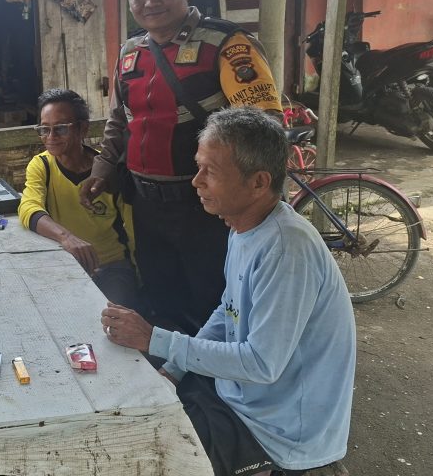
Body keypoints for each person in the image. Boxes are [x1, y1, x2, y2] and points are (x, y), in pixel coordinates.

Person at [102, 108, 356, 476]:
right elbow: (228, 310)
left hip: (280, 432)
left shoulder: (286, 249)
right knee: (136, 408)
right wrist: (173, 369)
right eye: (199, 167)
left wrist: (155, 339)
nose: (196, 181)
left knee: (147, 456)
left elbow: (262, 364)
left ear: (258, 182)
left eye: (211, 171)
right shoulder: (244, 226)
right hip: (242, 397)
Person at [80, 0, 282, 334]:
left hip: (206, 207)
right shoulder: (130, 51)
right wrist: (102, 170)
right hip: (145, 204)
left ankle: (214, 369)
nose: (150, 3)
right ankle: (170, 365)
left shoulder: (227, 44)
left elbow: (263, 126)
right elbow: (120, 121)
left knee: (214, 300)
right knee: (161, 296)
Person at [18, 88, 138, 306]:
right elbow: (28, 208)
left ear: (83, 128)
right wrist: (67, 238)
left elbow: (131, 228)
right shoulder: (42, 165)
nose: (51, 137)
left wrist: (140, 277)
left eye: (61, 128)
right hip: (64, 264)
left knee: (112, 314)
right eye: (44, 129)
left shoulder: (106, 172)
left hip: (111, 266)